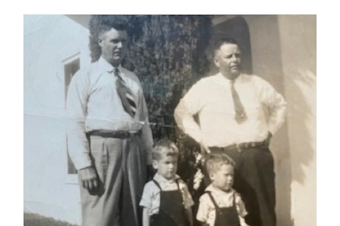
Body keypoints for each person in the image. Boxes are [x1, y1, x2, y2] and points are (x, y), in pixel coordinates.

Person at [174, 37, 287, 226]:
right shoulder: (204, 87)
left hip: (256, 156)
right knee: (224, 215)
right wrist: (200, 138)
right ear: (217, 61)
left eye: (237, 55)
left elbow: (280, 105)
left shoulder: (255, 83)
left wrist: (270, 131)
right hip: (222, 158)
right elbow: (181, 112)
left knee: (263, 212)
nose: (235, 59)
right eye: (229, 56)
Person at [66, 16, 153, 226]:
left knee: (133, 215)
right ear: (100, 41)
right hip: (101, 150)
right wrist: (84, 164)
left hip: (133, 149)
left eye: (124, 41)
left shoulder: (132, 78)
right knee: (100, 216)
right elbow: (74, 122)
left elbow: (144, 122)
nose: (120, 46)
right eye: (114, 41)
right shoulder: (86, 75)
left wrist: (149, 159)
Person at [140, 139, 194, 226]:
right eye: (167, 163)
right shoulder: (151, 187)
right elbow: (146, 212)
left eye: (174, 162)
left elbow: (188, 209)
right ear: (155, 164)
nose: (171, 166)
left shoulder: (181, 185)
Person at [196, 154, 248, 226]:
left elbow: (241, 217)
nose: (230, 178)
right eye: (226, 175)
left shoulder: (236, 197)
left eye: (232, 175)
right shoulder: (206, 199)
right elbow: (202, 221)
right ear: (212, 176)